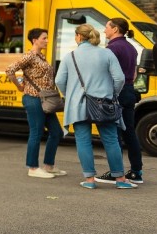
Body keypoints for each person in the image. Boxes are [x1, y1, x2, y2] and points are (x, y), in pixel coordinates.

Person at [55, 24, 136, 190]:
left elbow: (58, 81)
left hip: (78, 105)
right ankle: (120, 178)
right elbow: (119, 78)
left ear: (78, 37)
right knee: (111, 140)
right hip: (104, 103)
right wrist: (111, 93)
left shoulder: (70, 56)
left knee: (83, 141)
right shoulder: (106, 53)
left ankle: (90, 180)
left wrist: (70, 94)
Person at [5, 28, 65, 179]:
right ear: (34, 40)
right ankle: (32, 168)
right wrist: (19, 86)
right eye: (44, 38)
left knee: (56, 132)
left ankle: (49, 165)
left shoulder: (41, 57)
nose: (47, 40)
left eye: (46, 38)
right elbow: (10, 70)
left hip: (45, 100)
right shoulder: (30, 56)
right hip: (33, 99)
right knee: (36, 132)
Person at [96, 18, 143, 184]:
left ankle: (116, 173)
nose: (104, 30)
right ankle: (136, 172)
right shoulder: (131, 48)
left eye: (106, 27)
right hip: (129, 91)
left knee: (113, 135)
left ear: (115, 29)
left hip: (115, 92)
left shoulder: (112, 48)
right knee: (129, 132)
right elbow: (135, 73)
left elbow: (107, 74)